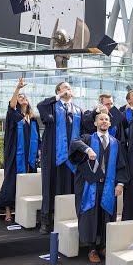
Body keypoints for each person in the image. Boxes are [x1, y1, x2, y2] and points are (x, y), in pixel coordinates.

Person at [69, 112, 129, 263]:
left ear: (110, 124)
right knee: (91, 215)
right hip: (90, 185)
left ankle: (103, 246)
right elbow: (74, 142)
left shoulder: (115, 142)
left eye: (106, 119)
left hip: (108, 186)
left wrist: (120, 184)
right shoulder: (88, 138)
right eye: (101, 119)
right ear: (95, 123)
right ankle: (91, 249)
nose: (104, 121)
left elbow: (122, 166)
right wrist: (87, 149)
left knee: (106, 215)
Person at [37, 81, 83, 234]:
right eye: (64, 88)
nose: (68, 90)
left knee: (71, 187)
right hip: (53, 154)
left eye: (69, 87)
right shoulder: (50, 106)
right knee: (50, 186)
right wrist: (58, 97)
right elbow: (40, 107)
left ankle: (69, 218)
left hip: (72, 157)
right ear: (58, 91)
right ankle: (46, 221)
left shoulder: (78, 110)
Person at [0, 78, 41, 222]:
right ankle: (8, 211)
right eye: (20, 97)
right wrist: (17, 89)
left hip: (29, 159)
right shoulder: (14, 115)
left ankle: (23, 210)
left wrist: (39, 151)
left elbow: (37, 140)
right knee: (11, 181)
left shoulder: (32, 120)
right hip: (14, 155)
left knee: (27, 184)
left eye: (24, 97)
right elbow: (11, 105)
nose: (22, 98)